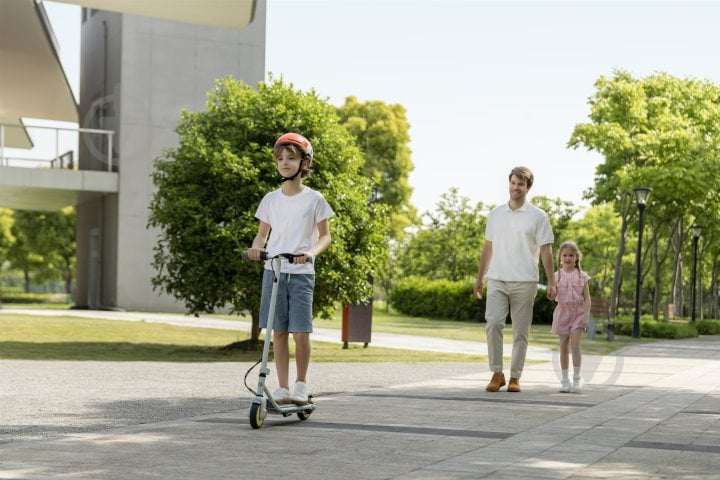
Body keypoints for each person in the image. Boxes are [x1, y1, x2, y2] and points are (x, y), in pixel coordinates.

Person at [247, 132, 333, 405]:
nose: (284, 163)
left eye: (291, 158)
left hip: (301, 273)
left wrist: (309, 253)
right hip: (273, 271)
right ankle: (282, 386)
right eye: (280, 158)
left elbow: (325, 236)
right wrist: (256, 248)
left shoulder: (314, 199)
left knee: (300, 331)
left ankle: (300, 384)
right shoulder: (270, 199)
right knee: (279, 332)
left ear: (303, 163)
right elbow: (262, 235)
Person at [473, 166, 557, 393]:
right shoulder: (495, 214)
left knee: (521, 331)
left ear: (527, 187)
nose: (515, 187)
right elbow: (488, 247)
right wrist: (480, 277)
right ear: (508, 184)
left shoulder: (539, 216)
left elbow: (546, 250)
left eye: (520, 184)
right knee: (494, 323)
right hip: (497, 279)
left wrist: (551, 281)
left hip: (525, 281)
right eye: (513, 182)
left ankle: (515, 377)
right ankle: (497, 373)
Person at [552, 240, 591, 393]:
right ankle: (564, 380)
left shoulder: (582, 276)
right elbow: (552, 295)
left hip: (578, 313)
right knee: (563, 346)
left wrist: (586, 316)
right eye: (565, 255)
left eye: (571, 255)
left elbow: (587, 297)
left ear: (576, 258)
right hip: (562, 313)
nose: (567, 258)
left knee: (575, 345)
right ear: (560, 258)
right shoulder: (555, 276)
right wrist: (551, 292)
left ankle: (577, 378)